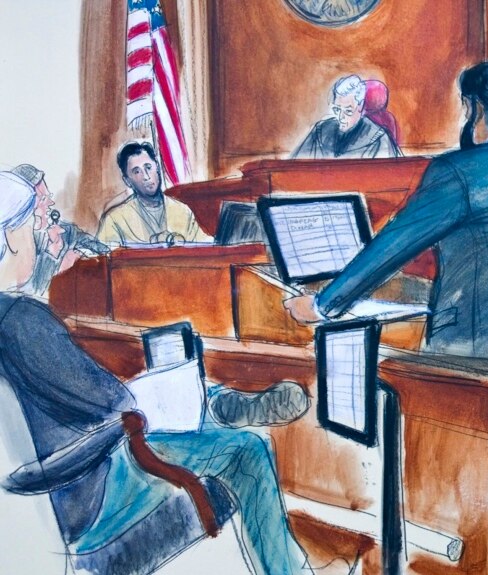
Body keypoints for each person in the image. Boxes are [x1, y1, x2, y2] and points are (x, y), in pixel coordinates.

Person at [0, 173, 311, 574]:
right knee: (247, 451)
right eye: (33, 225)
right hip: (98, 485)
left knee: (168, 394)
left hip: (77, 469)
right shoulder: (21, 320)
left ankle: (215, 403)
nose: (40, 233)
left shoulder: (13, 318)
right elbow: (114, 404)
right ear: (10, 237)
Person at [284, 60, 488, 365]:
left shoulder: (459, 170)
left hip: (481, 350)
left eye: (467, 108)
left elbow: (396, 244)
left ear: (479, 109)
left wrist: (323, 305)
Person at [8, 165, 109, 297]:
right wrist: (53, 255)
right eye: (43, 199)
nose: (50, 203)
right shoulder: (16, 246)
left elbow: (91, 243)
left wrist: (97, 254)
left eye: (48, 196)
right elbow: (31, 295)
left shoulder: (63, 229)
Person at [96, 141, 213, 248]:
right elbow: (102, 257)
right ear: (127, 181)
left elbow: (205, 247)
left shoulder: (183, 211)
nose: (146, 176)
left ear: (157, 167)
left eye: (148, 167)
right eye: (137, 172)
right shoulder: (115, 220)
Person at [292, 74, 399, 159]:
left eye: (348, 111)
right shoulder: (320, 130)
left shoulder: (378, 138)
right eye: (337, 109)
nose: (340, 117)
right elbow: (296, 163)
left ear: (360, 107)